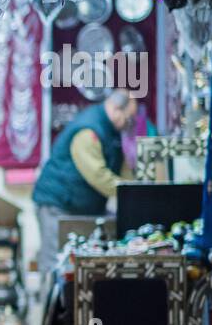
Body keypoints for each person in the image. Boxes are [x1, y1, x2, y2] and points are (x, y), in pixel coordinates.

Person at [32, 89, 137, 280]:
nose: (129, 124)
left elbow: (121, 170)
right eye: (128, 118)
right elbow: (97, 175)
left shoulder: (110, 131)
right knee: (54, 266)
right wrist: (131, 193)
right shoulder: (90, 130)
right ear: (115, 109)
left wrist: (134, 187)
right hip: (57, 205)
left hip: (80, 206)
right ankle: (50, 308)